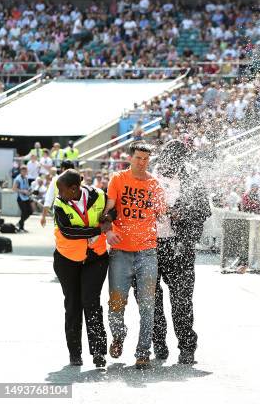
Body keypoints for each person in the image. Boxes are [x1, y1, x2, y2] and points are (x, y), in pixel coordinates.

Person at [101, 141, 165, 369]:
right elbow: (107, 210)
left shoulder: (154, 184)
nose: (142, 162)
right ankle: (118, 335)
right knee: (116, 304)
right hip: (120, 252)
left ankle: (143, 352)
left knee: (148, 305)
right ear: (130, 158)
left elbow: (162, 213)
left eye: (146, 159)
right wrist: (107, 231)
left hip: (147, 251)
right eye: (138, 158)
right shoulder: (118, 179)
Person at [151, 139, 211, 364]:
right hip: (150, 246)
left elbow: (204, 209)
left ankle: (187, 347)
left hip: (180, 246)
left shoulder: (191, 177)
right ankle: (158, 344)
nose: (172, 166)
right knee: (151, 300)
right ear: (162, 156)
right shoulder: (148, 174)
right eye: (169, 160)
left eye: (178, 162)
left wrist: (182, 212)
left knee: (182, 301)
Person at [52, 169, 110, 367]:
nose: (59, 194)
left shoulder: (99, 195)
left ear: (75, 188)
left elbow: (113, 210)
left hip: (96, 258)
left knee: (91, 302)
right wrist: (97, 229)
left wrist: (109, 217)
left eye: (62, 190)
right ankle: (75, 353)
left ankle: (99, 352)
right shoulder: (59, 204)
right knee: (73, 304)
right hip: (67, 260)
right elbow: (68, 231)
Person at [41, 160, 75, 227]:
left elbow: (48, 199)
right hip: (75, 215)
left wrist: (43, 216)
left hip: (59, 214)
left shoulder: (55, 180)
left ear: (62, 168)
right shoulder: (78, 181)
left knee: (60, 236)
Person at [12, 165, 32, 233]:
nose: (24, 172)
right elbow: (14, 188)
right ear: (20, 171)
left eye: (25, 171)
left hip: (26, 198)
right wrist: (23, 191)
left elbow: (26, 187)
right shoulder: (18, 179)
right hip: (20, 198)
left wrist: (29, 190)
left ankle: (20, 223)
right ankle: (21, 227)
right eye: (23, 171)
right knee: (24, 212)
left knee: (30, 211)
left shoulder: (26, 178)